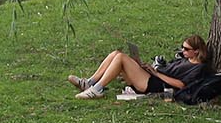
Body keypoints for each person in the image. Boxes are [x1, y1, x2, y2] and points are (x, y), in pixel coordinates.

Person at [69, 35, 210, 99]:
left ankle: (96, 90)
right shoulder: (185, 59)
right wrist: (146, 67)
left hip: (155, 84)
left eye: (186, 49)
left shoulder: (198, 68)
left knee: (121, 58)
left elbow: (180, 84)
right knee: (115, 53)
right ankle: (90, 82)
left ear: (196, 51)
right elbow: (168, 68)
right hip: (151, 76)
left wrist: (156, 74)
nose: (182, 51)